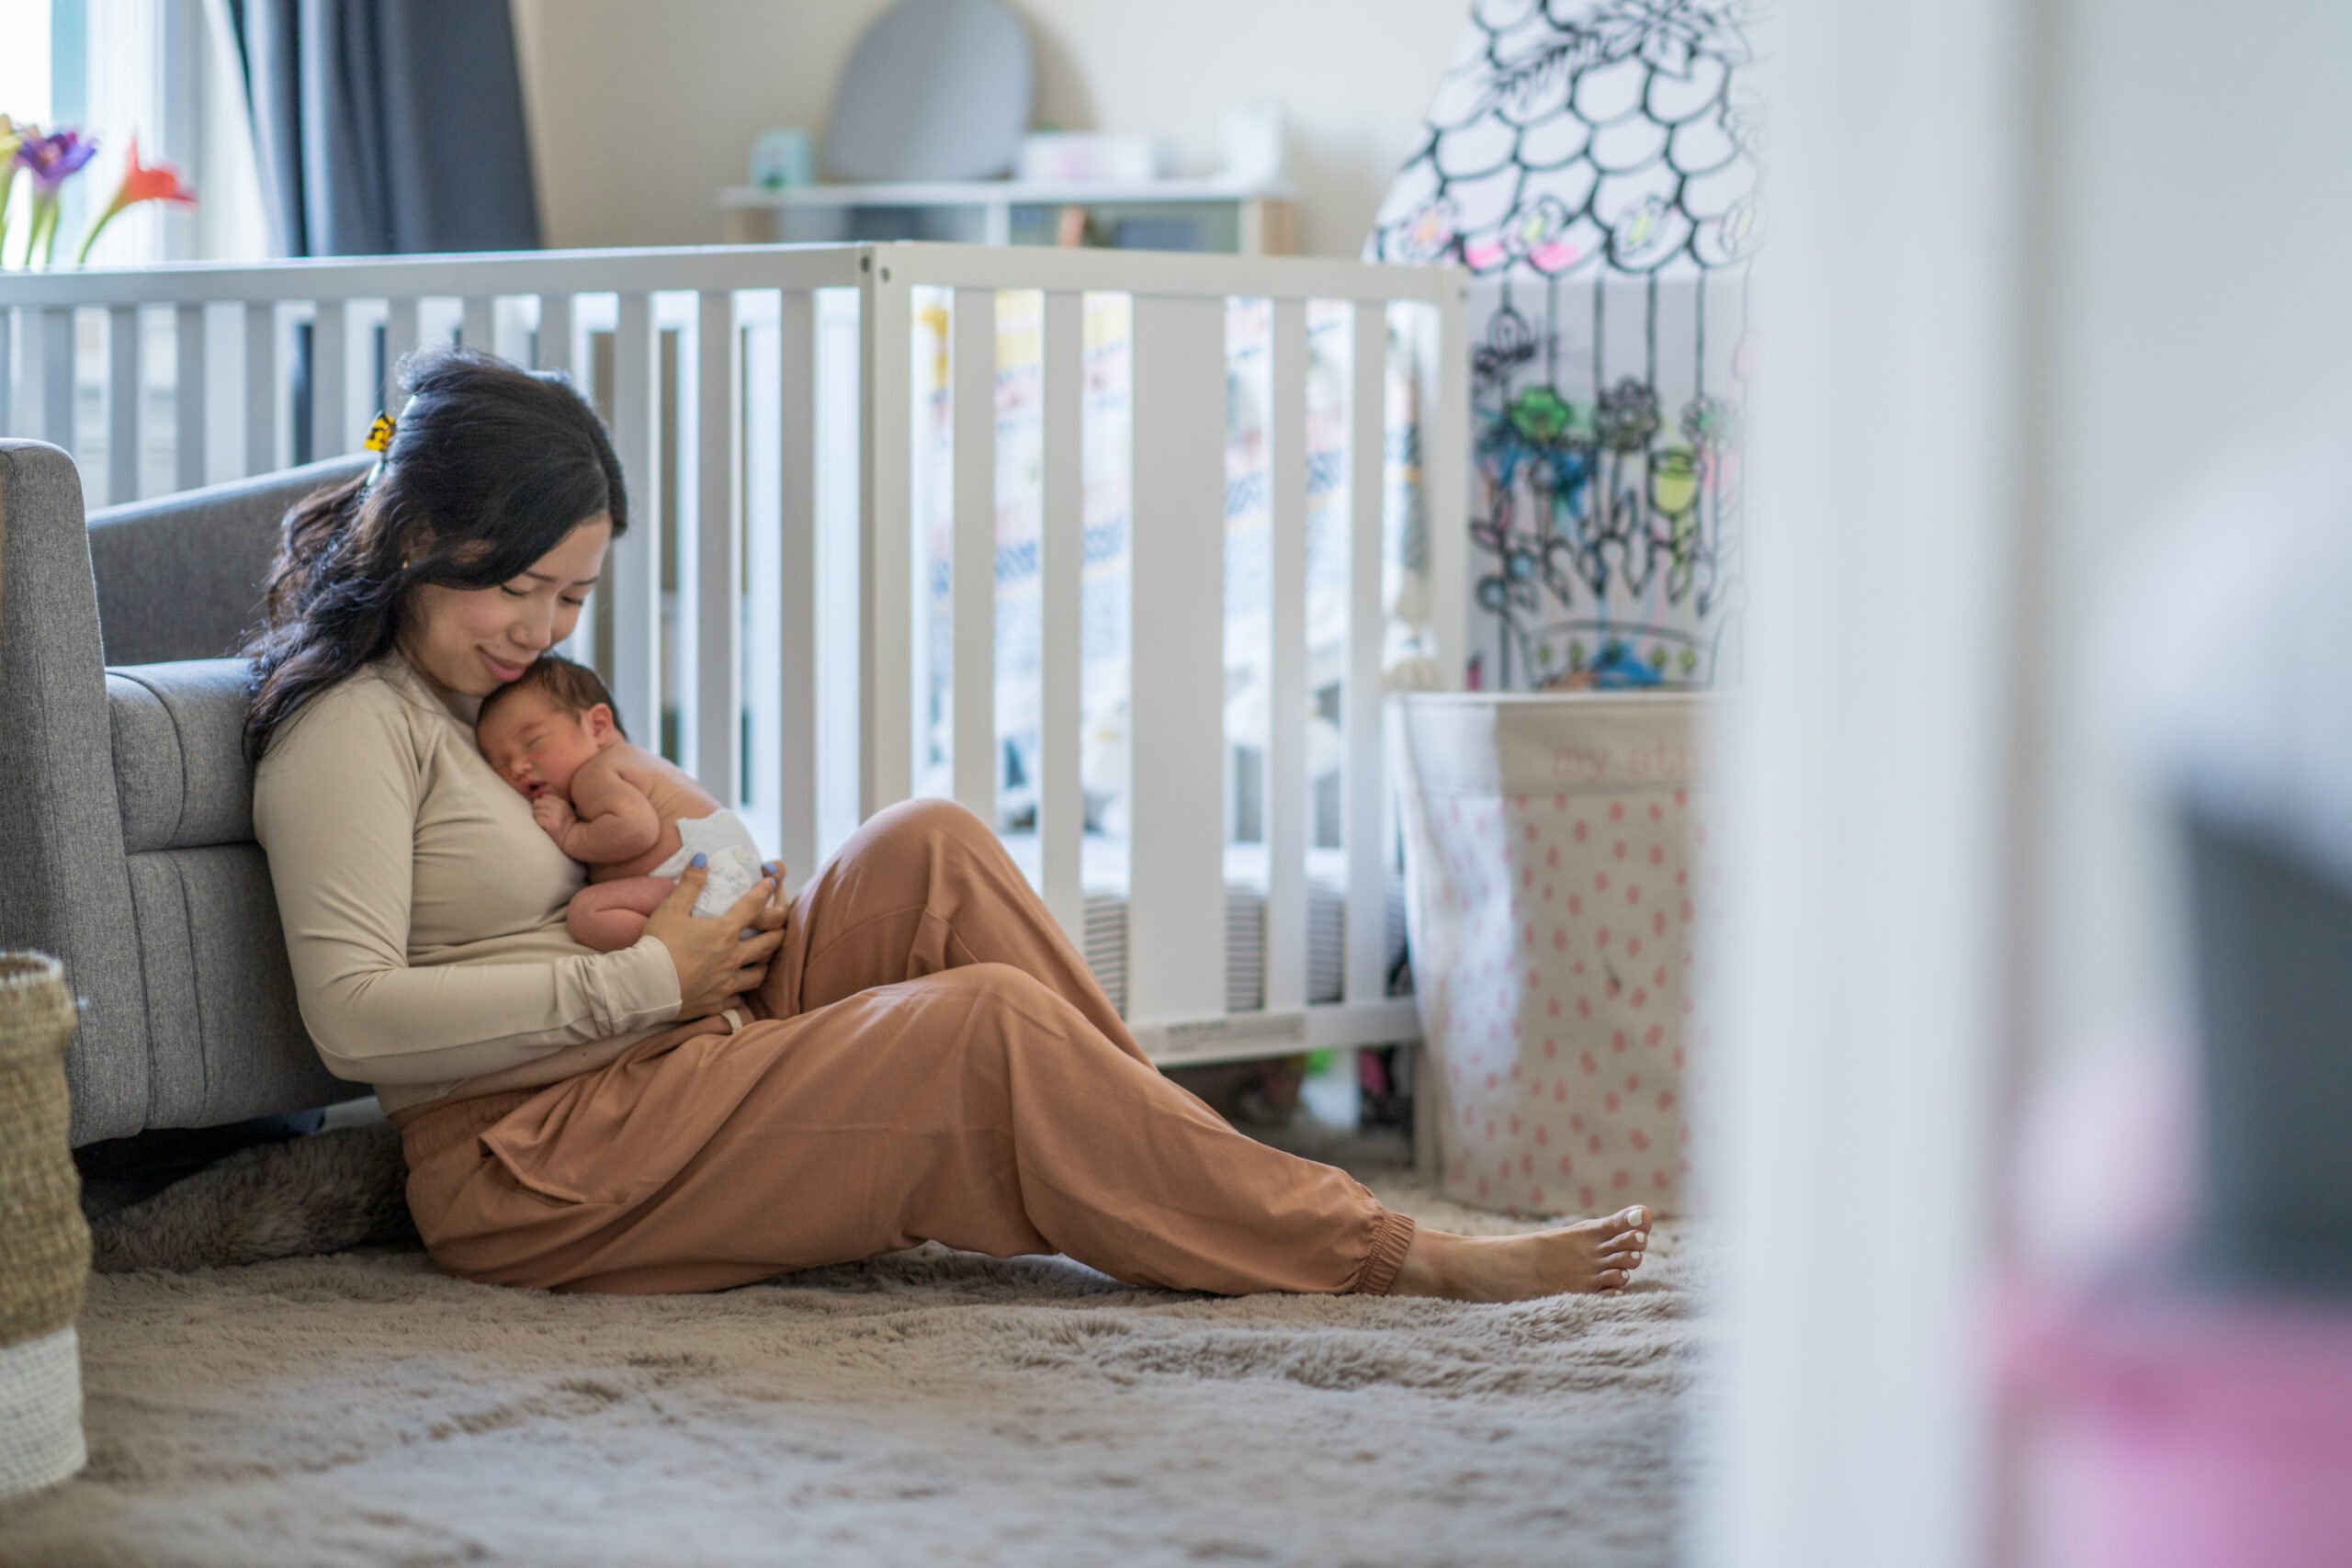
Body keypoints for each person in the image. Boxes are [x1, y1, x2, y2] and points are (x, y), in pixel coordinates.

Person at [245, 345, 1652, 1301]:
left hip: (675, 1033)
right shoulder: (349, 732)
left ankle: (1211, 1171)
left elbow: (627, 842)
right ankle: (1381, 1249)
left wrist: (717, 896)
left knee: (928, 838)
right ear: (427, 536)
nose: (544, 632)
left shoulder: (492, 695)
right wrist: (650, 975)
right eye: (524, 592)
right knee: (977, 1025)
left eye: (574, 600)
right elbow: (356, 1021)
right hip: (543, 1153)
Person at [472, 654, 764, 951]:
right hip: (733, 882)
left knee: (588, 912)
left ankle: (684, 954)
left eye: (533, 742)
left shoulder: (593, 774)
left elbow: (637, 828)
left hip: (703, 883)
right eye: (500, 765)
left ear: (598, 726)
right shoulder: (638, 762)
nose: (518, 767)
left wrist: (570, 833)